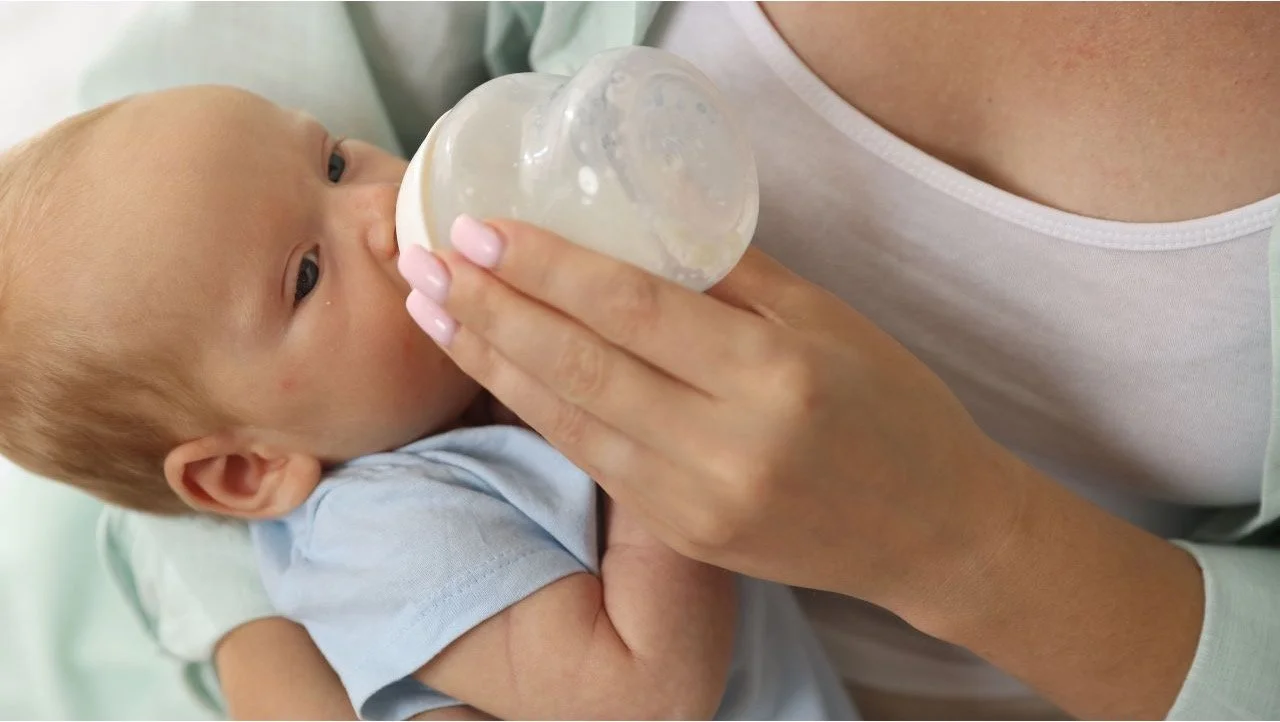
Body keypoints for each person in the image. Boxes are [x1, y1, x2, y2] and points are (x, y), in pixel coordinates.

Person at [393, 2, 1280, 720]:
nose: (371, 221)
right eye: (321, 264)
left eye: (338, 167)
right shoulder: (372, 520)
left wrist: (965, 538)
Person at [0, 86, 854, 720]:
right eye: (306, 274)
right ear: (248, 470)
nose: (381, 204)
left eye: (334, 162)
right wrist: (638, 416)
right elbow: (645, 696)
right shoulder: (380, 533)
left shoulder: (427, 393)